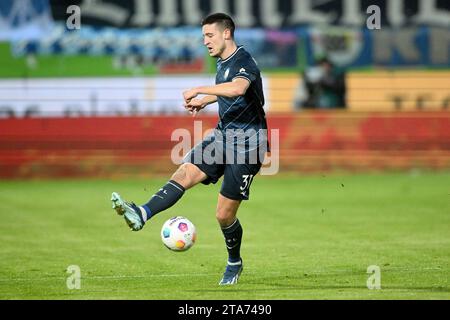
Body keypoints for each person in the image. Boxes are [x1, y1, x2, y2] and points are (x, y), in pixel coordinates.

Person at [111, 13, 268, 286]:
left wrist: (198, 89)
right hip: (222, 136)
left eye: (209, 36)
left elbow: (238, 89)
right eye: (203, 37)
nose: (205, 42)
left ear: (226, 33)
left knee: (223, 214)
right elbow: (227, 93)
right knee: (184, 173)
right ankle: (142, 213)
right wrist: (206, 101)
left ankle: (234, 261)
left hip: (249, 145)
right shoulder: (222, 62)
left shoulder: (244, 60)